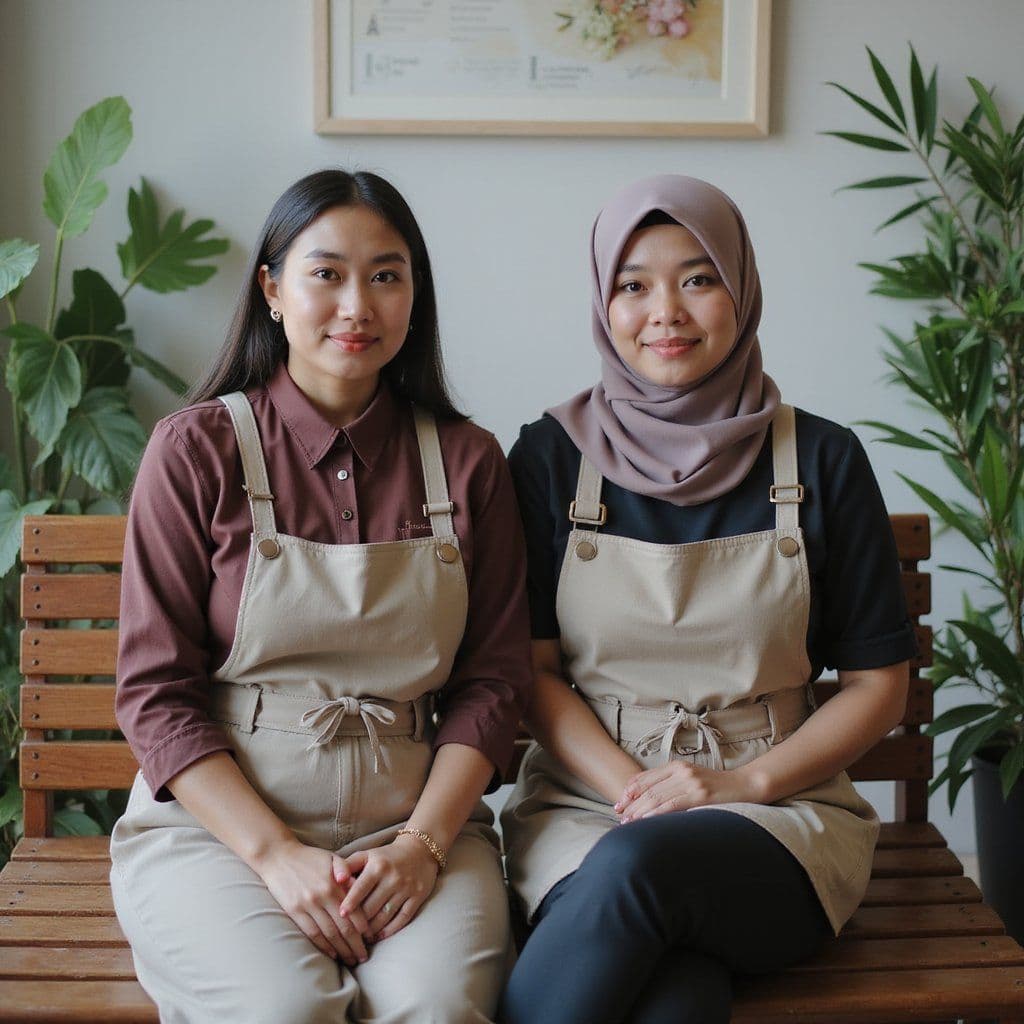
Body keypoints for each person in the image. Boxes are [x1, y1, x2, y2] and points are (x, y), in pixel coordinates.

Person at [109, 169, 531, 1024]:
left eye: (386, 275)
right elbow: (155, 693)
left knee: (437, 1007)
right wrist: (274, 855)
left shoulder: (470, 460)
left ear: (415, 297)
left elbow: (493, 685)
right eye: (326, 273)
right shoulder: (194, 451)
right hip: (221, 835)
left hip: (417, 832)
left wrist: (421, 846)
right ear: (271, 289)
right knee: (283, 1010)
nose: (358, 305)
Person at [499, 175, 916, 1024]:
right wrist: (639, 795)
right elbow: (534, 675)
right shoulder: (548, 458)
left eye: (698, 278)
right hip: (587, 805)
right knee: (676, 998)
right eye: (633, 284)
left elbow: (880, 686)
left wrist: (742, 781)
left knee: (639, 872)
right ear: (602, 301)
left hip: (779, 813)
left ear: (742, 288)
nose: (667, 312)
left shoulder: (825, 459)